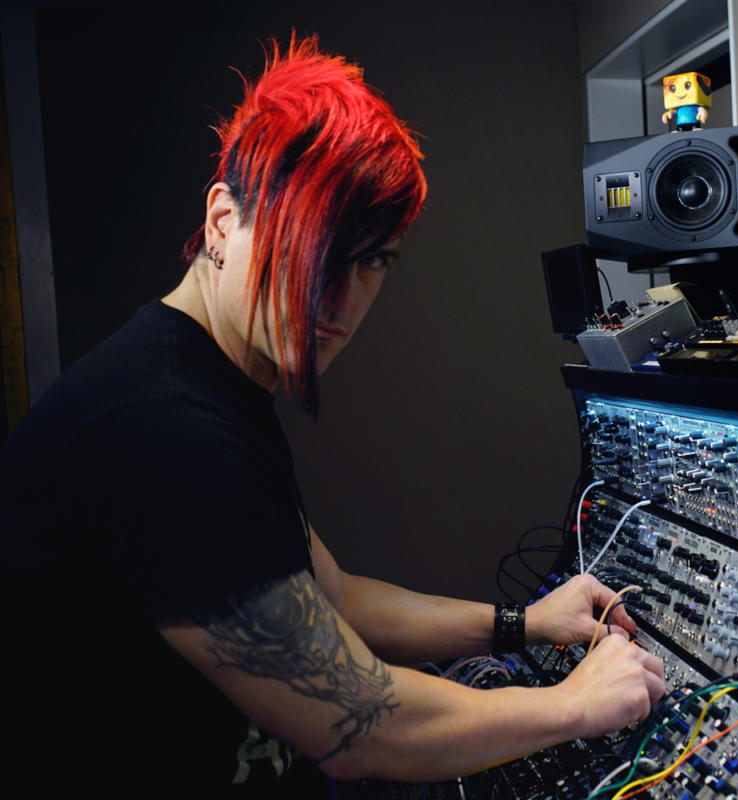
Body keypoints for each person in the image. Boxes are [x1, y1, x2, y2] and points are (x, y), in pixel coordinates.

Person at [0, 35, 665, 797]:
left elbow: (334, 596)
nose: (341, 297)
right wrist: (572, 705)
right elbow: (362, 727)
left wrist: (526, 623)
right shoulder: (162, 431)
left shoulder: (207, 379)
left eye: (372, 259)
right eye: (314, 245)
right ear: (222, 221)